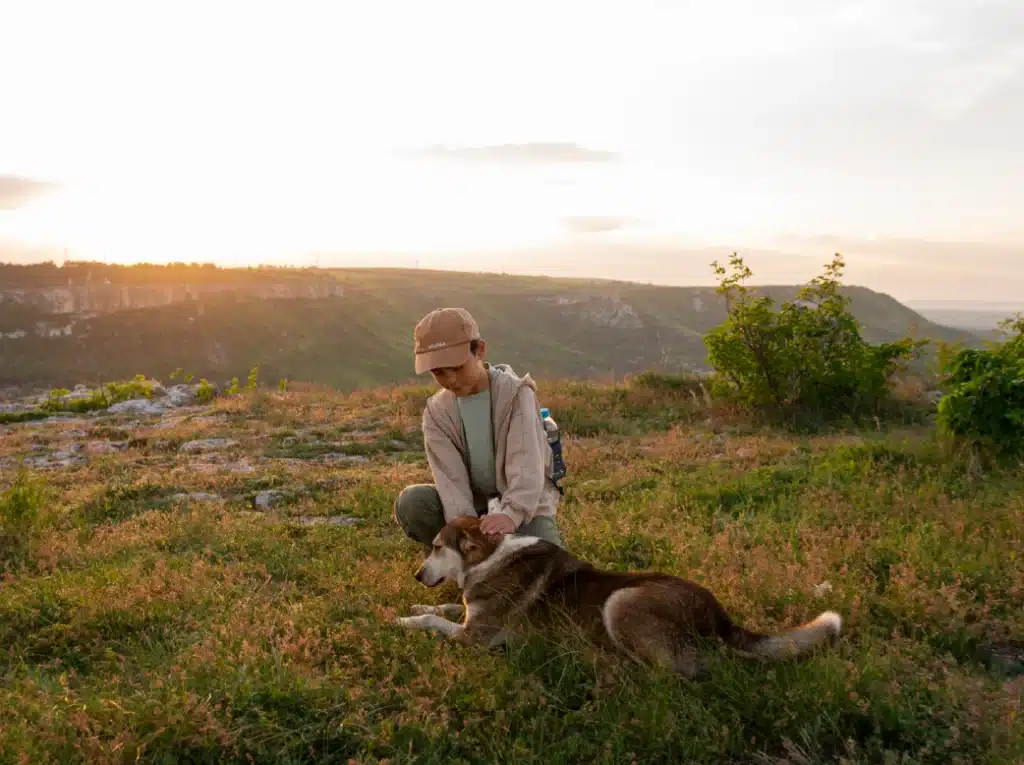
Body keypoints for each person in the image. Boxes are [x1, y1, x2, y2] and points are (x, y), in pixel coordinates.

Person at [394, 307, 564, 550]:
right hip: (473, 510)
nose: (451, 379)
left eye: (458, 367)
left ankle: (483, 558)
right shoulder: (436, 412)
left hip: (522, 507)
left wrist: (509, 515)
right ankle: (460, 559)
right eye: (439, 372)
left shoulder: (516, 394)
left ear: (480, 350)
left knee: (550, 573)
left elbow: (526, 464)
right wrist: (468, 531)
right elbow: (450, 480)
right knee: (413, 502)